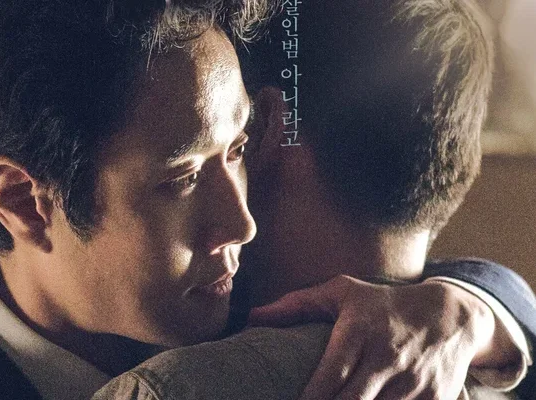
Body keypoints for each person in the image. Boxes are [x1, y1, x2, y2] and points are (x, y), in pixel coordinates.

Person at [0, 1, 532, 399]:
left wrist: (470, 311)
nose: (244, 223)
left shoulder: (224, 293)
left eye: (239, 147)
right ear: (24, 201)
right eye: (182, 178)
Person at [94, 0, 536, 398]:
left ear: (264, 128)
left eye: (235, 142)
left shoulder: (165, 385)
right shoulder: (490, 359)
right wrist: (478, 306)